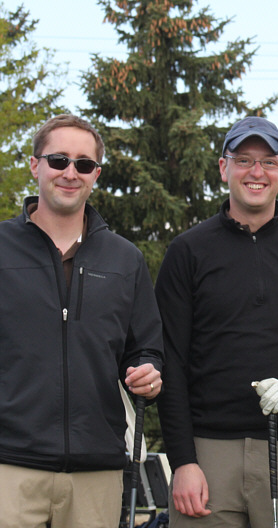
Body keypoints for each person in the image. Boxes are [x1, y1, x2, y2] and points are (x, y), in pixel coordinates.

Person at [155, 116, 278, 528]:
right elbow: (170, 361)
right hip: (208, 451)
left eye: (268, 162)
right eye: (244, 159)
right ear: (224, 168)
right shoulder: (188, 251)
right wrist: (183, 461)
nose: (256, 172)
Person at [0, 114, 163, 527]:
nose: (70, 173)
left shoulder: (125, 260)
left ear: (96, 175)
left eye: (84, 164)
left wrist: (150, 371)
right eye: (58, 160)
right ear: (35, 166)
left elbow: (146, 347)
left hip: (98, 471)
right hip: (9, 467)